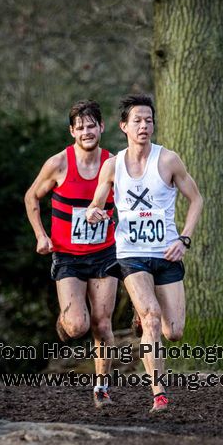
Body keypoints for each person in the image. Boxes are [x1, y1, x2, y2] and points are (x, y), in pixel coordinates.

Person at [87, 94, 203, 412]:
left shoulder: (168, 160)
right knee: (152, 319)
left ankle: (142, 313)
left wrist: (185, 239)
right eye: (137, 120)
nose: (144, 125)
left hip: (166, 253)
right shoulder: (113, 165)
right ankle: (159, 394)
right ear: (124, 126)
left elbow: (197, 199)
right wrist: (93, 212)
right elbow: (96, 204)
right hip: (131, 253)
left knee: (174, 331)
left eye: (148, 120)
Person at [24, 100, 117, 408]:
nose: (87, 132)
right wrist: (41, 235)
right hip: (68, 256)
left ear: (102, 127)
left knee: (103, 325)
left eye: (92, 126)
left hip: (105, 254)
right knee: (78, 326)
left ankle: (102, 388)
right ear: (72, 131)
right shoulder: (59, 163)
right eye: (80, 128)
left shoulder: (115, 163)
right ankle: (66, 322)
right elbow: (31, 197)